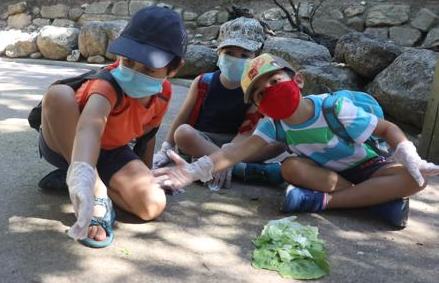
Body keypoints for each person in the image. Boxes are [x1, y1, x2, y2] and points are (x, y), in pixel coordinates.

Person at [152, 53, 439, 228]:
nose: (270, 92)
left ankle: (324, 203)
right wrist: (191, 172)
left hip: (368, 166)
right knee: (291, 168)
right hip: (328, 177)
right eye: (260, 94)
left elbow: (387, 129)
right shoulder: (273, 124)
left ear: (297, 80)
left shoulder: (332, 107)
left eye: (274, 82)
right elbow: (235, 152)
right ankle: (374, 201)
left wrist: (408, 156)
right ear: (258, 107)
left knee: (417, 181)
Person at [37, 6, 186, 247]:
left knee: (152, 205)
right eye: (128, 61)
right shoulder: (107, 85)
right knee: (58, 95)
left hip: (111, 151)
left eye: (148, 69)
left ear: (175, 67)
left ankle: (85, 182)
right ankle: (89, 188)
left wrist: (145, 176)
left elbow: (147, 138)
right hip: (68, 141)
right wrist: (87, 179)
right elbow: (89, 129)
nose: (134, 72)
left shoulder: (163, 95)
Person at [152, 17, 285, 190]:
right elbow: (182, 117)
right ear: (218, 52)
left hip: (237, 143)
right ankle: (241, 169)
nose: (236, 59)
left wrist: (227, 155)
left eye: (244, 55)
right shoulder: (203, 82)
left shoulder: (256, 90)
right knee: (183, 133)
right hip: (202, 138)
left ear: (256, 58)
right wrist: (166, 148)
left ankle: (216, 164)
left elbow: (246, 130)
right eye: (229, 53)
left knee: (278, 143)